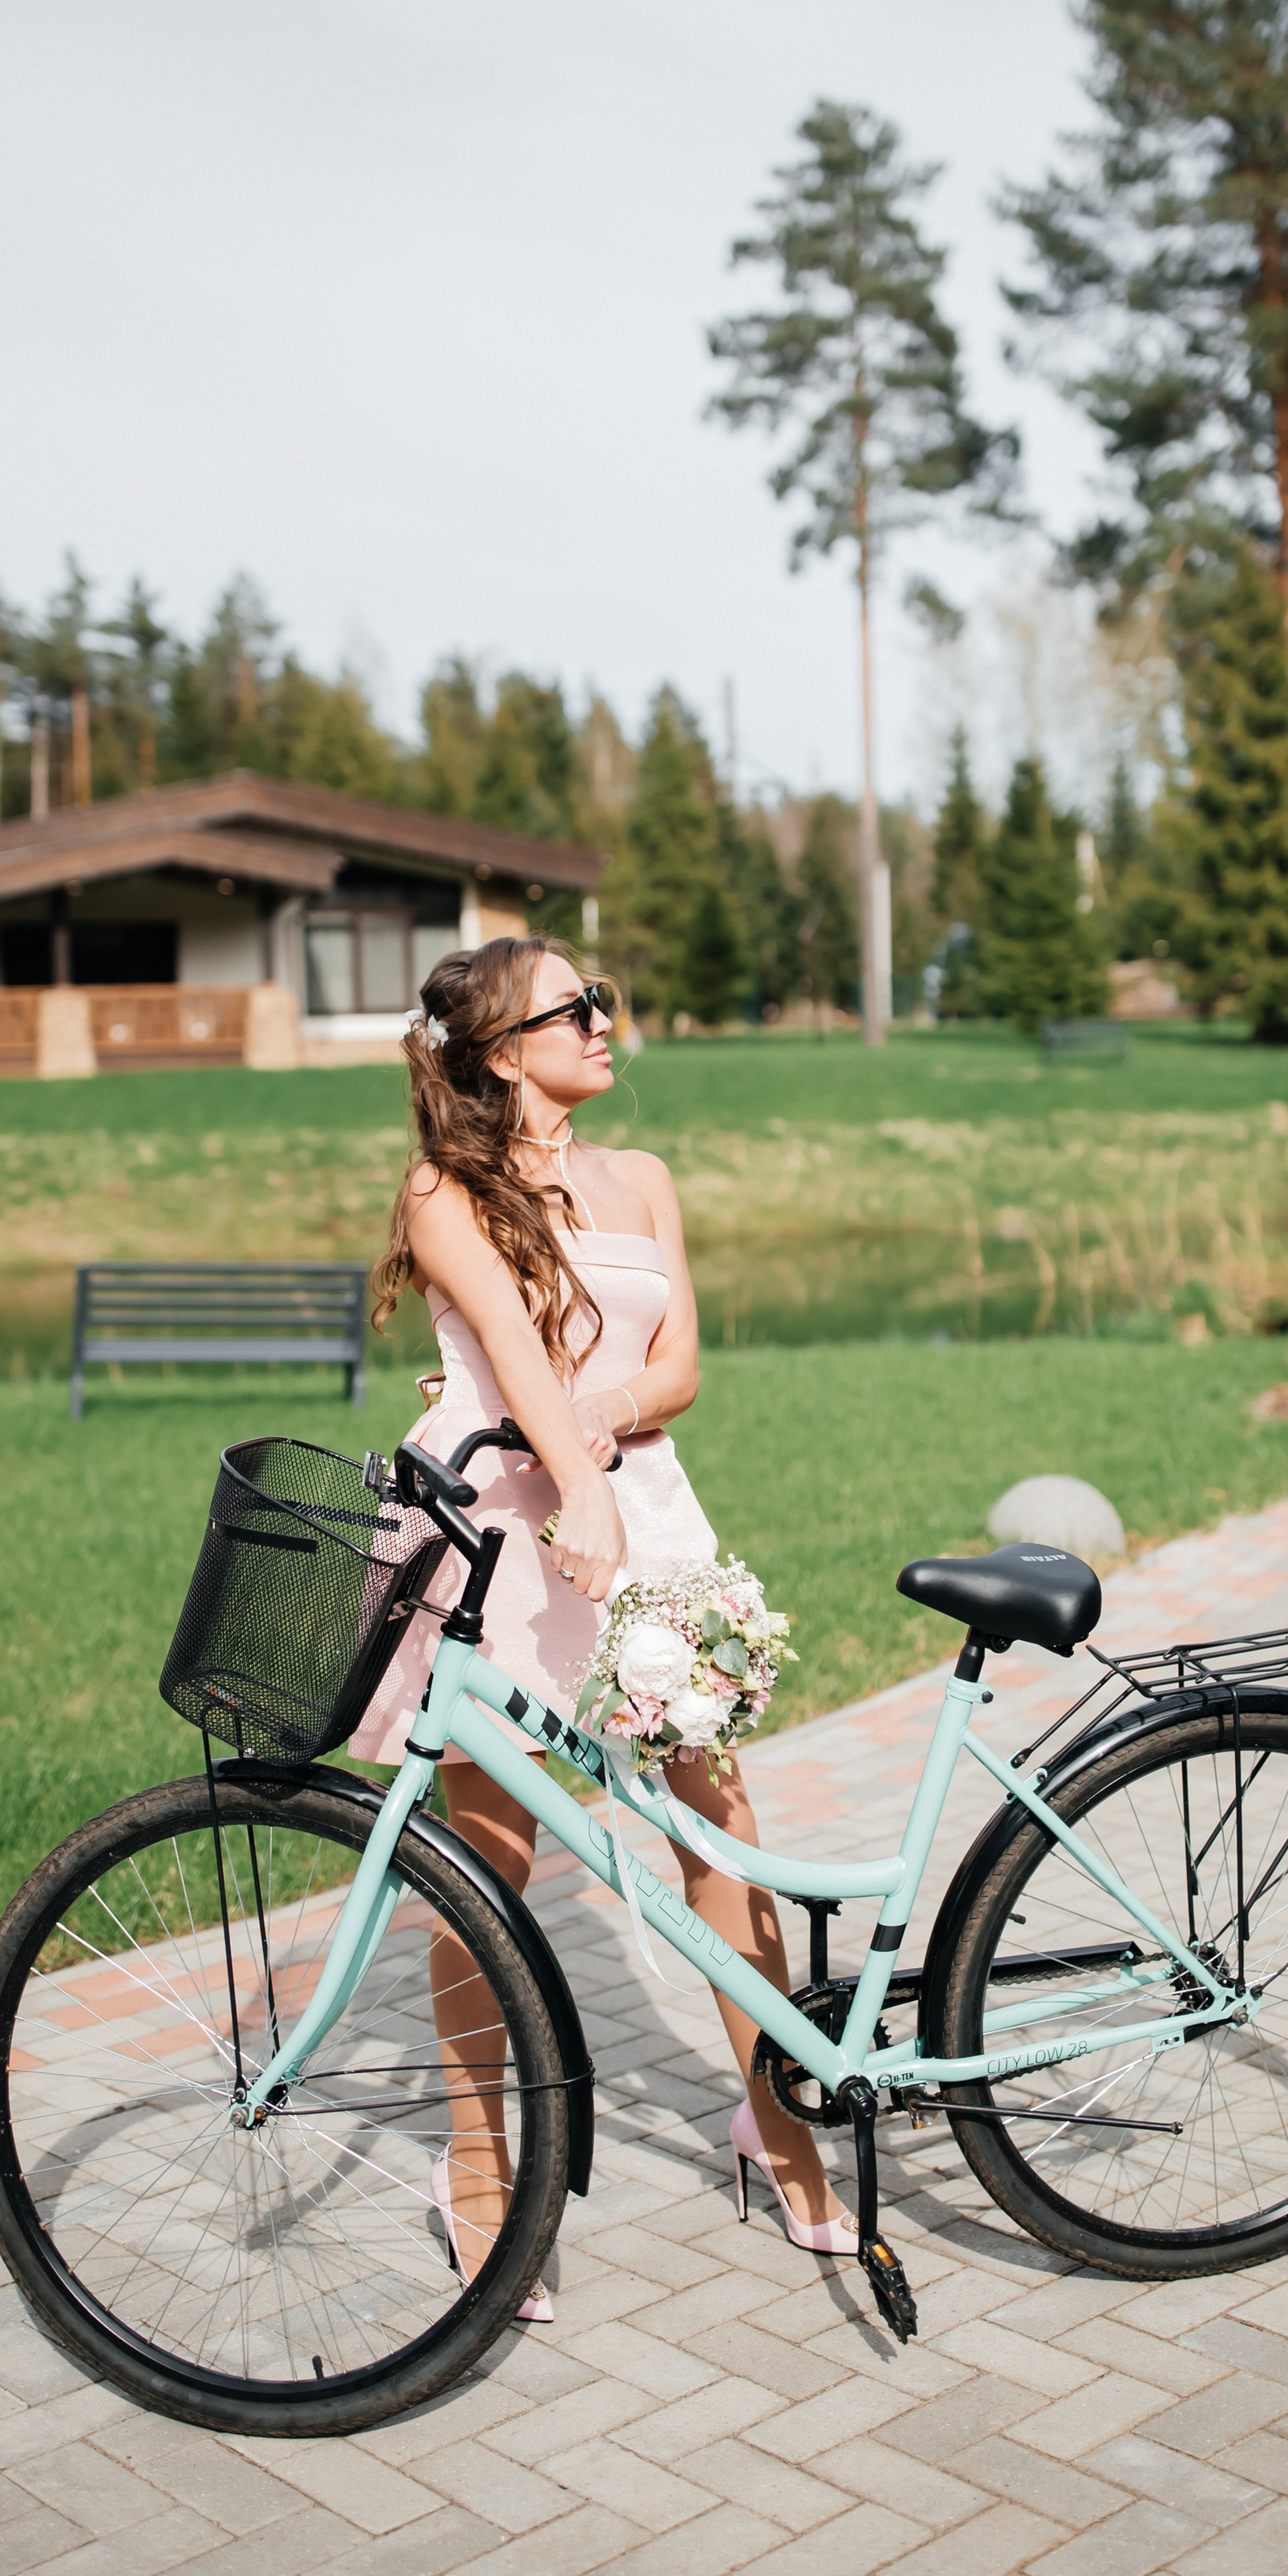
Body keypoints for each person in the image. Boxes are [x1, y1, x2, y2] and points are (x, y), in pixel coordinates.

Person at [357, 935, 855, 2310]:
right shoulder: (446, 1188)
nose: (603, 1020)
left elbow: (677, 1363)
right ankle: (478, 2166)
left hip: (648, 1515)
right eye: (574, 1007)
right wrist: (575, 1488)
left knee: (719, 1833)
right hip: (505, 1539)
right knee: (490, 1867)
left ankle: (779, 2124)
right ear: (502, 1053)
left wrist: (605, 1433)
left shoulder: (643, 1178)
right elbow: (512, 1351)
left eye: (603, 1000)